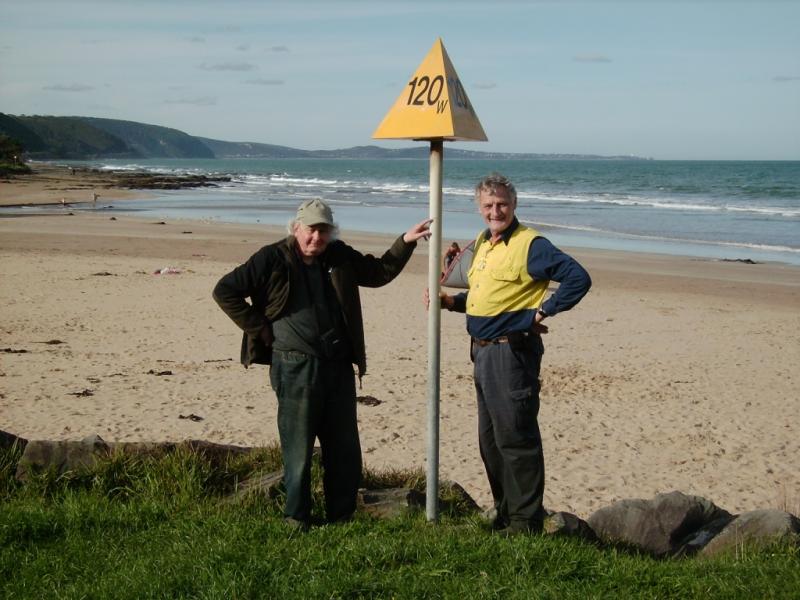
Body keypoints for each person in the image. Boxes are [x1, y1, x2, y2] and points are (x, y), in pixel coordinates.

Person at [213, 198, 431, 530]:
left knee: (343, 447)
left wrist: (405, 241)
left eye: (324, 231)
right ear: (296, 228)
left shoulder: (338, 255)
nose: (317, 238)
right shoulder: (271, 258)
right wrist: (262, 329)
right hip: (294, 365)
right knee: (298, 446)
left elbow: (378, 272)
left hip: (338, 367)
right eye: (311, 230)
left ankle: (341, 517)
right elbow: (225, 290)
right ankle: (296, 517)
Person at [435, 173, 591, 536]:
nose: (495, 211)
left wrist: (542, 311)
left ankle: (525, 522)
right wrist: (450, 302)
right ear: (479, 208)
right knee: (490, 440)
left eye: (502, 204)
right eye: (488, 205)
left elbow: (577, 278)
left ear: (514, 204)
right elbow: (483, 298)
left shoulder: (530, 244)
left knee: (516, 437)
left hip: (511, 353)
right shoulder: (483, 243)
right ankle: (506, 513)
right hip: (481, 351)